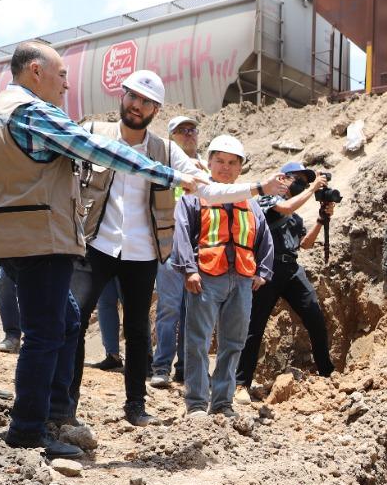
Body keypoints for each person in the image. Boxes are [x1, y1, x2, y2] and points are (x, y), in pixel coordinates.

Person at [0, 41, 200, 457]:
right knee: (44, 334)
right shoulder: (34, 112)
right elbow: (97, 151)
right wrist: (170, 174)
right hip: (43, 235)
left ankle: (58, 412)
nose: (66, 86)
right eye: (62, 77)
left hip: (16, 235)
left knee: (68, 321)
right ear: (36, 72)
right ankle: (28, 428)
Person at [69, 70, 285, 426]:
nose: (137, 106)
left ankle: (136, 407)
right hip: (96, 244)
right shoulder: (94, 132)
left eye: (146, 102)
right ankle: (65, 406)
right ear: (122, 96)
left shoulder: (166, 151)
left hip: (141, 252)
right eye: (133, 97)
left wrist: (259, 188)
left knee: (139, 330)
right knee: (74, 323)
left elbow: (210, 191)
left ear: (156, 110)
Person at [170, 135, 274, 418]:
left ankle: (223, 403)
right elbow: (181, 232)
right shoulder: (194, 196)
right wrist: (189, 269)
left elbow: (264, 237)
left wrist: (263, 272)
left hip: (241, 278)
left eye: (231, 163)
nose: (225, 168)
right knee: (198, 341)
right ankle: (196, 404)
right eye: (219, 162)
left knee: (233, 342)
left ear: (240, 168)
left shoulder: (250, 203)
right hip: (205, 277)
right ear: (209, 163)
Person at [237, 161, 336, 401]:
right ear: (282, 178)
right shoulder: (269, 200)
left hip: (291, 269)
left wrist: (322, 219)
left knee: (314, 316)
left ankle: (327, 372)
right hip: (266, 268)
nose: (302, 184)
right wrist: (313, 189)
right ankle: (241, 383)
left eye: (306, 180)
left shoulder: (296, 219)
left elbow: (306, 244)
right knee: (254, 326)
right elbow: (284, 209)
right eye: (298, 179)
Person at [150, 115, 203, 388]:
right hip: (170, 246)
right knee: (170, 308)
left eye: (192, 129)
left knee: (193, 311)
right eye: (181, 130)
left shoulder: (208, 169)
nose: (188, 134)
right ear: (171, 138)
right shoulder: (164, 169)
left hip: (199, 249)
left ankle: (186, 368)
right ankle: (161, 367)